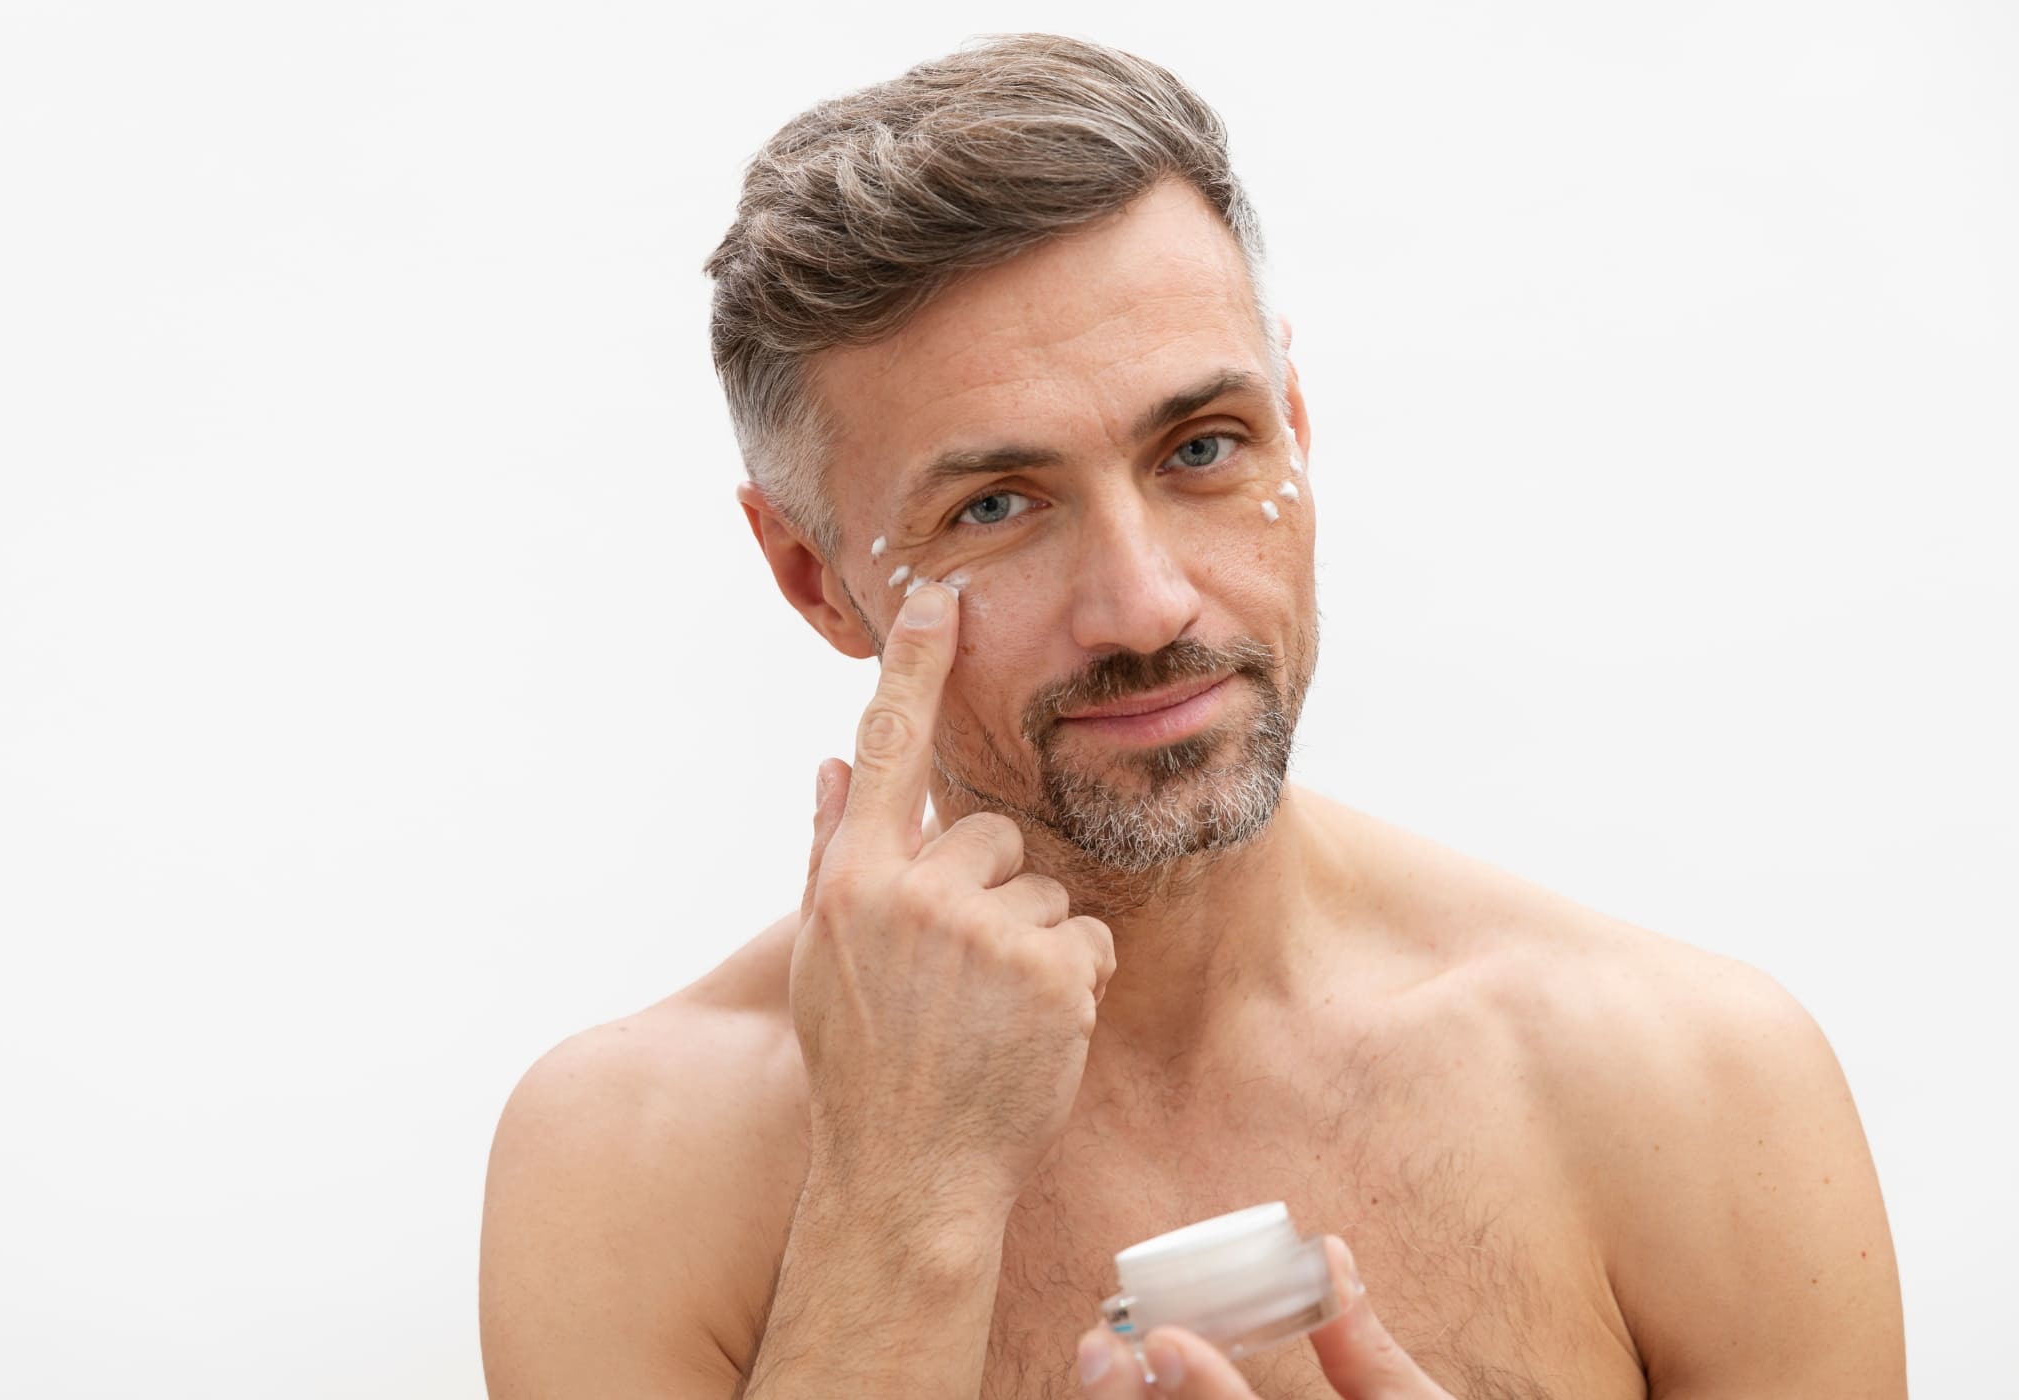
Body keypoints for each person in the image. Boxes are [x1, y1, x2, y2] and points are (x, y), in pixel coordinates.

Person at [479, 33, 1904, 1399]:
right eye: (994, 506)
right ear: (814, 578)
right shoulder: (627, 1167)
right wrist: (900, 1200)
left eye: (1203, 447)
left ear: (1295, 419)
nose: (1147, 604)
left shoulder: (1695, 1087)